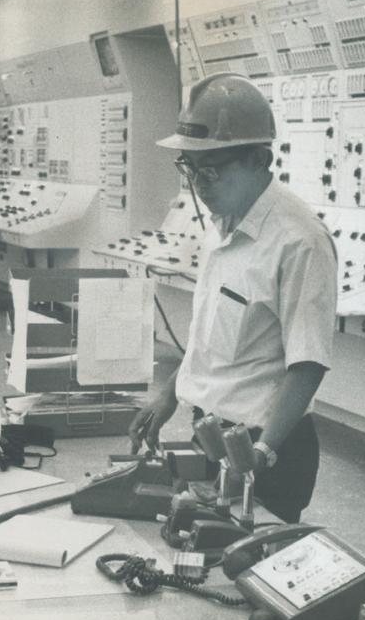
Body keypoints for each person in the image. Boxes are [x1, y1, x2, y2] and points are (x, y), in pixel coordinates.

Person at [128, 73, 338, 523]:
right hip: (210, 433)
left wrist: (260, 454)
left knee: (246, 570)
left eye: (212, 170)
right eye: (189, 168)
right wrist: (171, 394)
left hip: (268, 449)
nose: (199, 185)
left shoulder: (299, 242)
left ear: (259, 159)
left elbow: (308, 364)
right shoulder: (221, 225)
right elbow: (209, 335)